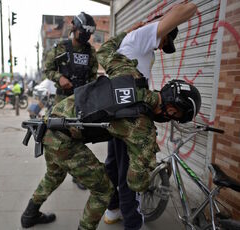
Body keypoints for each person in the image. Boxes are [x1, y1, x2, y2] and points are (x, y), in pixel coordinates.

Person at [20, 9, 201, 230]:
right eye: (178, 117)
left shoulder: (129, 74)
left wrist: (126, 34)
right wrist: (150, 164)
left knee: (55, 175)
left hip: (53, 122)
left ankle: (29, 215)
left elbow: (105, 50)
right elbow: (136, 183)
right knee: (103, 191)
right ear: (172, 111)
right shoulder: (142, 128)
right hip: (61, 136)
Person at [101, 3, 198, 229]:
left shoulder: (131, 41)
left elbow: (108, 51)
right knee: (132, 174)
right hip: (130, 117)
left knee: (114, 165)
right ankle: (133, 224)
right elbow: (187, 10)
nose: (160, 47)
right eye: (165, 41)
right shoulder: (145, 36)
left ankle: (113, 210)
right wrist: (187, 6)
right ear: (163, 31)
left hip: (118, 110)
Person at [44, 11, 98, 190]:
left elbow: (92, 75)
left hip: (81, 102)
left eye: (89, 34)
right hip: (62, 101)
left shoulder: (90, 52)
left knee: (79, 137)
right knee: (60, 135)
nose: (86, 37)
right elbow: (48, 68)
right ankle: (56, 169)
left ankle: (78, 174)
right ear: (75, 28)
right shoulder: (61, 47)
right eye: (84, 33)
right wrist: (59, 78)